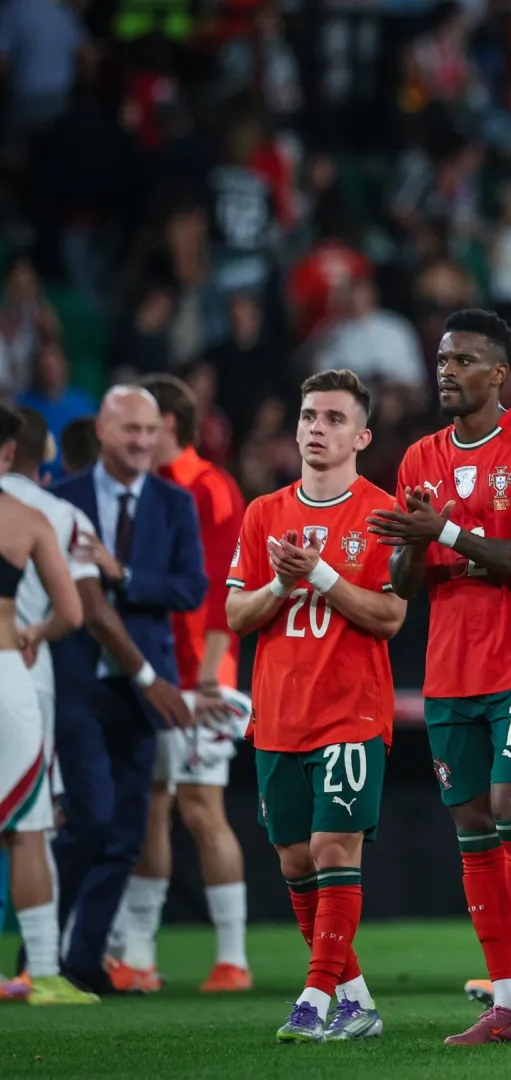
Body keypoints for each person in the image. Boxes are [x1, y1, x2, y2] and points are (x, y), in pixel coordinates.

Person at [368, 308, 511, 1044]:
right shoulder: (419, 458)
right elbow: (404, 576)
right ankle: (509, 999)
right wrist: (418, 541)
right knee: (474, 830)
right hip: (451, 669)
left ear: (498, 373)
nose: (446, 370)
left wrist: (446, 531)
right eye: (442, 359)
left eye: (463, 360)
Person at [225, 369, 404, 1041]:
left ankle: (314, 999)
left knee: (335, 848)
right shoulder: (263, 514)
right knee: (296, 859)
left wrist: (321, 575)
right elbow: (238, 613)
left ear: (360, 435)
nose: (316, 429)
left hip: (351, 710)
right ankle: (356, 999)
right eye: (308, 417)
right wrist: (280, 581)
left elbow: (390, 617)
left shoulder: (382, 514)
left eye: (332, 419)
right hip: (278, 712)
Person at [48, 385, 201, 996]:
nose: (141, 442)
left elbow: (190, 589)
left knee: (127, 832)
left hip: (143, 690)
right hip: (79, 679)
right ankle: (40, 952)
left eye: (149, 431)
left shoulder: (173, 502)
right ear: (104, 432)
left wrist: (124, 575)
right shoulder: (61, 501)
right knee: (89, 818)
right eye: (129, 430)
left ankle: (83, 960)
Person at [104, 373, 252, 995]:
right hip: (151, 673)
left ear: (170, 425)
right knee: (150, 806)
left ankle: (232, 959)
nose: (138, 436)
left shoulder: (207, 486)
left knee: (200, 809)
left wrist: (211, 676)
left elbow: (224, 588)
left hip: (198, 676)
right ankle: (138, 954)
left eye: (147, 424)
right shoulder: (148, 489)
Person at [0, 403, 91, 1004]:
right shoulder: (26, 518)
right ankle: (45, 976)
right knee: (28, 828)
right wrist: (36, 633)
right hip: (9, 673)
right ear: (9, 452)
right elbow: (73, 612)